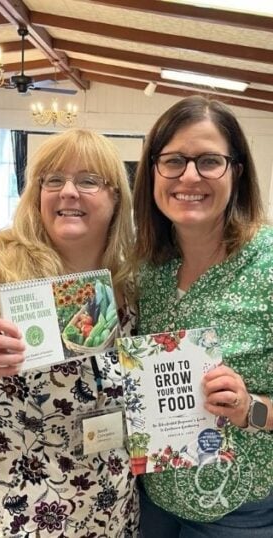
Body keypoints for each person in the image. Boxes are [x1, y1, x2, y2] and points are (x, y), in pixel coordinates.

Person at [0, 128, 138, 537]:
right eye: (53, 180)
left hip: (104, 510)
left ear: (116, 197)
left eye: (88, 180)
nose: (68, 192)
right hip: (0, 510)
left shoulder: (131, 288)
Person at [133, 96, 273, 535]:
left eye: (209, 161)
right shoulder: (145, 268)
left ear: (237, 171)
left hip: (237, 510)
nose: (189, 176)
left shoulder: (267, 264)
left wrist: (250, 408)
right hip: (149, 500)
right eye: (173, 160)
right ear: (153, 171)